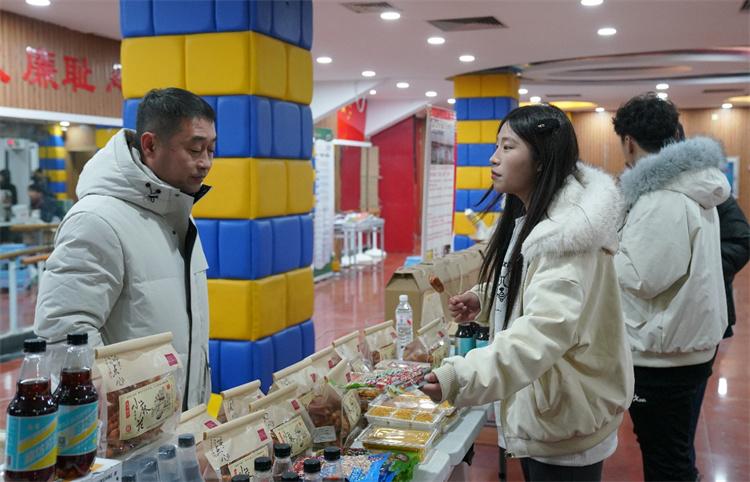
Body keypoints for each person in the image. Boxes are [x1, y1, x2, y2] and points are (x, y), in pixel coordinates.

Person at [421, 104, 634, 482]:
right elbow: (536, 287)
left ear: (540, 160)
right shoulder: (540, 215)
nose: (493, 158)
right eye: (496, 146)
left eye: (507, 147)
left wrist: (460, 376)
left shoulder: (566, 236)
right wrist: (486, 297)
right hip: (551, 409)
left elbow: (540, 333)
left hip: (566, 423)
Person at [34, 87, 216, 409]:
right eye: (195, 149)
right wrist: (121, 411)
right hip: (131, 433)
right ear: (150, 145)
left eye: (211, 150)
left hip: (179, 426)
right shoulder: (97, 220)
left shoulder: (178, 216)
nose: (205, 163)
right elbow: (63, 335)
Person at [612, 93, 729, 481]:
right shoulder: (690, 186)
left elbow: (641, 277)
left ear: (629, 141)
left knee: (666, 458)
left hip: (662, 354)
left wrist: (602, 250)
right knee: (672, 452)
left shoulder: (662, 197)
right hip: (682, 344)